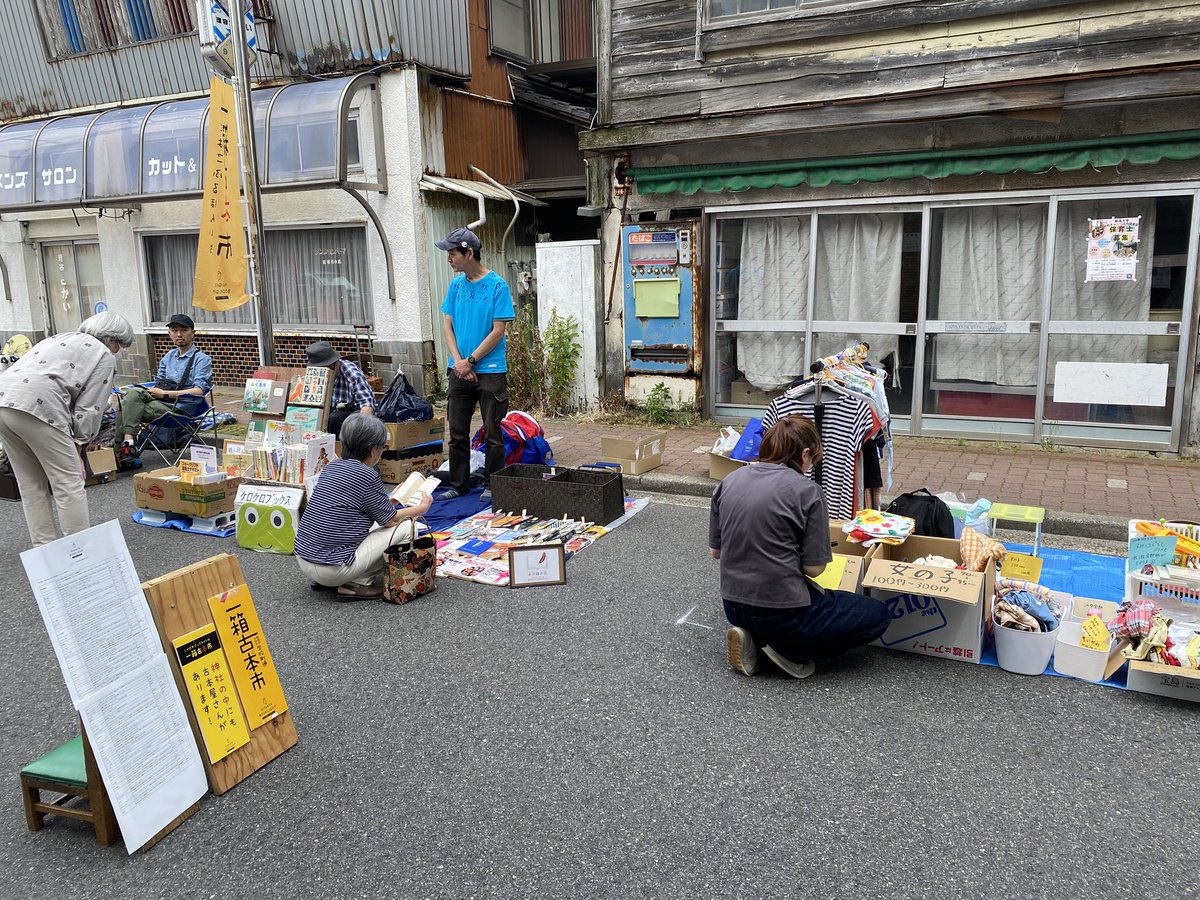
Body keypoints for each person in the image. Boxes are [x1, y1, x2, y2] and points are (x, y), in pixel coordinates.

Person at [709, 414, 890, 679]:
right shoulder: (807, 491)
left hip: (733, 606)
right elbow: (814, 569)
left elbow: (716, 551)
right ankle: (789, 651)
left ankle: (755, 638)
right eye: (813, 459)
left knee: (809, 605)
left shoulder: (729, 481)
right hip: (784, 612)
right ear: (805, 453)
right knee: (878, 614)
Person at [0, 312, 134, 546]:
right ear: (112, 339)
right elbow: (90, 407)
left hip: (4, 400)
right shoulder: (102, 354)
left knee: (31, 485)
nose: (117, 351)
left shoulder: (56, 338)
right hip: (40, 407)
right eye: (119, 345)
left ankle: (44, 549)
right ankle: (78, 552)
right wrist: (79, 444)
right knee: (68, 482)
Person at [294, 413, 432, 599]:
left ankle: (336, 580)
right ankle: (356, 584)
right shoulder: (367, 475)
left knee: (379, 524)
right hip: (332, 570)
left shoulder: (332, 466)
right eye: (383, 447)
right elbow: (390, 520)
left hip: (304, 559)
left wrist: (390, 500)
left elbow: (354, 505)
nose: (382, 452)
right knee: (408, 527)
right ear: (372, 450)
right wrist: (422, 508)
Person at [436, 227, 515, 502]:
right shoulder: (455, 286)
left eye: (452, 253)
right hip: (458, 368)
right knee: (457, 431)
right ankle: (459, 483)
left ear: (469, 253)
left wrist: (471, 361)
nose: (449, 259)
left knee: (493, 432)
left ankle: (493, 485)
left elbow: (497, 331)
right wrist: (459, 362)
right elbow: (447, 325)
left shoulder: (497, 286)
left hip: (490, 370)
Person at [116, 313, 213, 465]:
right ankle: (128, 447)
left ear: (193, 333)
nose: (179, 334)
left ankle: (123, 453)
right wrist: (155, 391)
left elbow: (199, 391)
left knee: (127, 404)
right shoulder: (168, 357)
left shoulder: (202, 359)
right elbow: (158, 384)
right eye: (174, 330)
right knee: (131, 395)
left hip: (181, 410)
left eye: (184, 330)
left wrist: (165, 394)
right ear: (169, 334)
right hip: (160, 403)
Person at [305, 340, 374, 436]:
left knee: (334, 419)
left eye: (328, 368)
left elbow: (367, 405)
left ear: (336, 363)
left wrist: (359, 433)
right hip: (328, 413)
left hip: (352, 416)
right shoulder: (313, 374)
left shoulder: (351, 373)